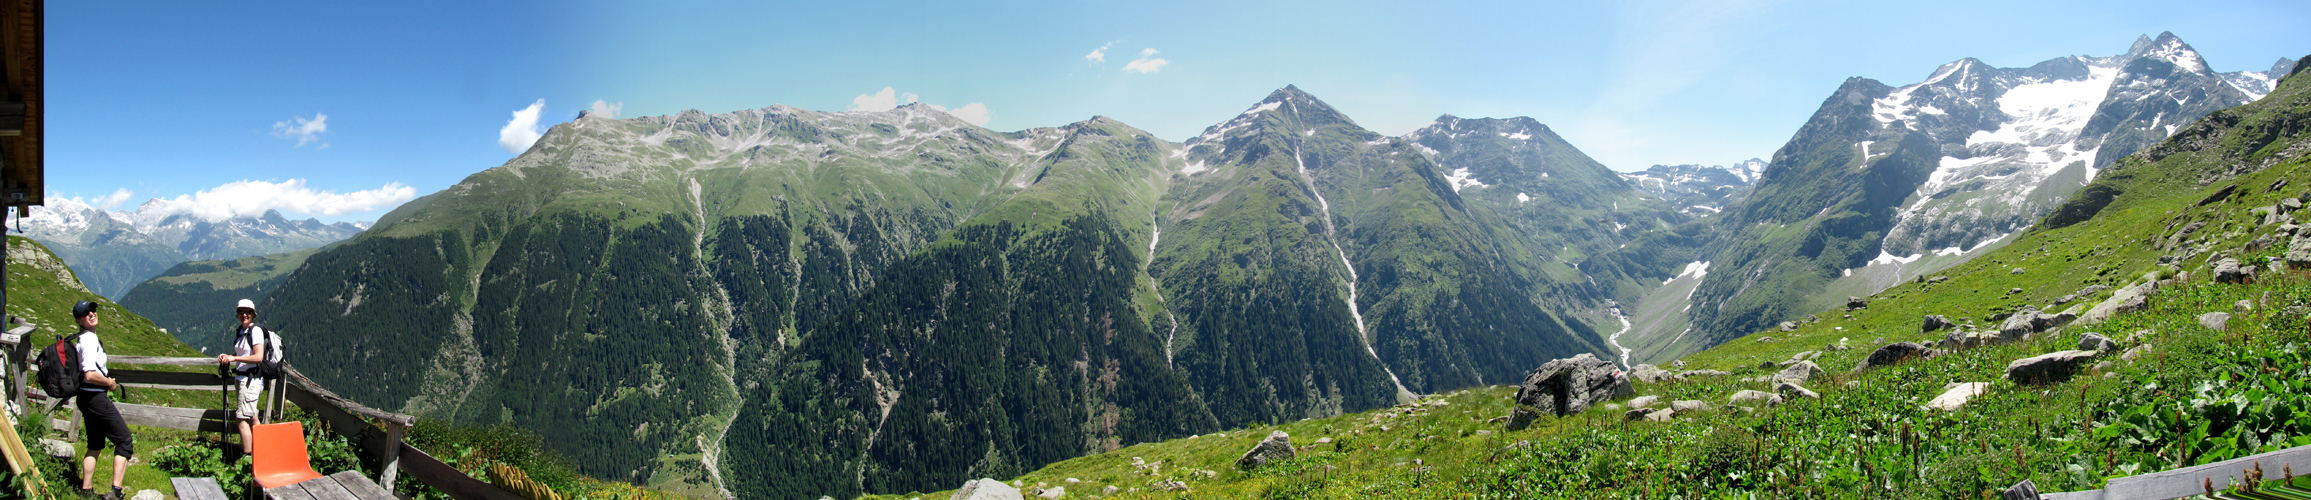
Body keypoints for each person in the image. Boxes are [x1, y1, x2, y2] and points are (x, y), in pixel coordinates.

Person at [71, 300, 132, 500]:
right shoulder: (88, 339)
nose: (92, 313)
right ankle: (116, 492)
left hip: (86, 397)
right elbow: (89, 373)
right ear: (79, 320)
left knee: (95, 444)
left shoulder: (84, 337)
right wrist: (109, 383)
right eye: (86, 312)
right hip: (95, 396)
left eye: (93, 310)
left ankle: (86, 492)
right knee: (124, 440)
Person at [216, 298, 268, 455]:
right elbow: (244, 353)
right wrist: (229, 356)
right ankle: (261, 452)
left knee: (240, 419)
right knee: (252, 417)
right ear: (238, 314)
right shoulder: (241, 331)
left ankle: (248, 457)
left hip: (250, 381)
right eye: (241, 312)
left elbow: (258, 357)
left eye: (248, 312)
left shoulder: (256, 331)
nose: (244, 315)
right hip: (243, 379)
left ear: (253, 314)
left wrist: (234, 359)